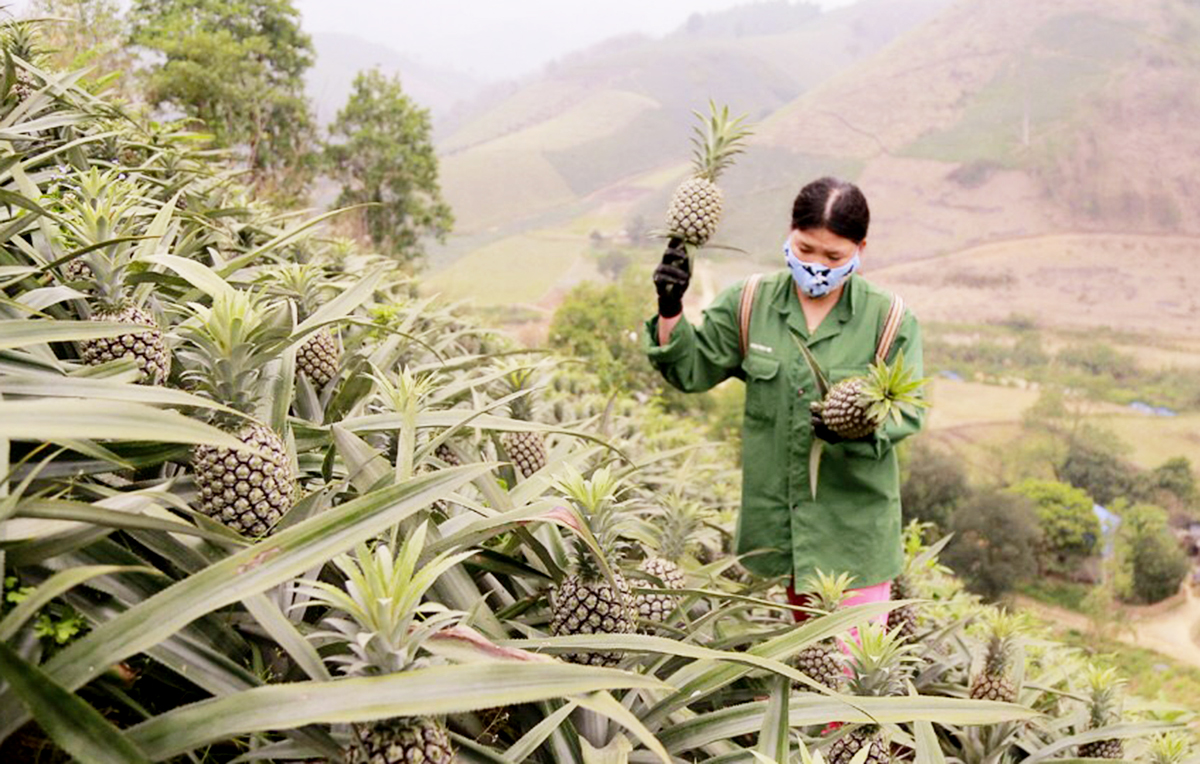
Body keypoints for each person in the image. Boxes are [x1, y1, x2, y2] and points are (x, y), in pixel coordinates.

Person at [644, 176, 924, 624]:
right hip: (772, 537)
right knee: (783, 677)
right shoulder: (750, 303)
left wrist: (855, 425)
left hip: (851, 540)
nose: (817, 265)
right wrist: (670, 307)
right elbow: (690, 369)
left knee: (844, 678)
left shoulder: (888, 319)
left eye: (834, 256)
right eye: (806, 249)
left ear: (861, 249)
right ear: (790, 234)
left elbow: (910, 410)